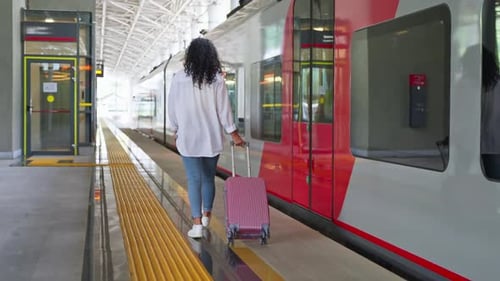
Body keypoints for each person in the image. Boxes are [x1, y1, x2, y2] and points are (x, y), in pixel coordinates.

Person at [167, 38, 245, 238]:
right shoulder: (217, 79)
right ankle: (206, 217)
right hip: (211, 137)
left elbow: (172, 108)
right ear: (211, 56)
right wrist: (234, 134)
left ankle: (196, 225)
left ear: (189, 56)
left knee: (194, 179)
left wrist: (175, 128)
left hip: (188, 138)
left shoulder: (178, 78)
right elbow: (224, 110)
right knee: (208, 178)